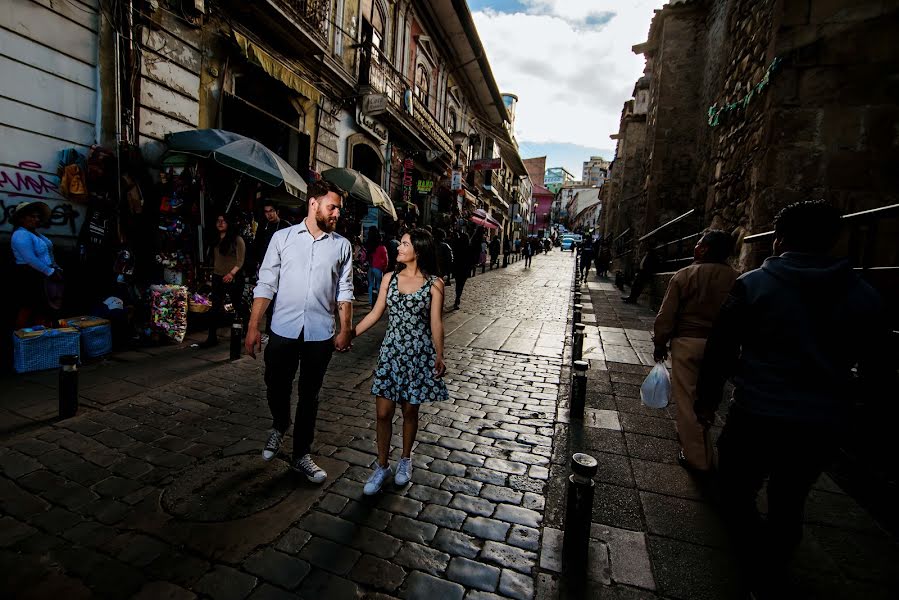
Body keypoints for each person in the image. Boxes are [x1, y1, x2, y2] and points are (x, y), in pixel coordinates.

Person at [695, 201, 889, 595]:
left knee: (734, 492)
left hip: (756, 412)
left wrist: (707, 398)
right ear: (835, 239)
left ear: (780, 239)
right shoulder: (865, 296)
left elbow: (721, 348)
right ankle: (773, 565)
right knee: (790, 499)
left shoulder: (754, 285)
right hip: (820, 422)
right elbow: (878, 369)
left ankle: (752, 562)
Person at [245, 180, 353, 483]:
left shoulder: (341, 246)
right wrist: (253, 327)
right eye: (332, 207)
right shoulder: (283, 238)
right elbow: (266, 284)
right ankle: (280, 424)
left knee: (310, 395)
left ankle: (301, 455)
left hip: (320, 334)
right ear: (313, 203)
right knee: (275, 383)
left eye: (338, 210)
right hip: (283, 329)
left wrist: (345, 329)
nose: (336, 215)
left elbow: (345, 291)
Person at [352, 229, 448, 494]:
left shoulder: (434, 284)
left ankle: (405, 459)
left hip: (418, 355)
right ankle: (382, 466)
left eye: (404, 244)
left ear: (417, 250)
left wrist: (440, 354)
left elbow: (436, 323)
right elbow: (375, 313)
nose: (399, 247)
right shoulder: (388, 278)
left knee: (409, 412)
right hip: (391, 353)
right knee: (383, 413)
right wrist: (351, 332)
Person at [652, 230, 738, 471]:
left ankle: (698, 458)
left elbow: (666, 315)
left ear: (705, 249)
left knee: (688, 400)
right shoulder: (737, 278)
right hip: (721, 347)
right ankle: (704, 448)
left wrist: (660, 342)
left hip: (688, 343)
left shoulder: (685, 275)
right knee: (710, 397)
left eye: (699, 244)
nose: (695, 247)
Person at [11, 201, 61, 328]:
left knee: (41, 308)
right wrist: (50, 272)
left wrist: (55, 268)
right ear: (22, 218)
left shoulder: (37, 234)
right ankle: (21, 339)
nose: (37, 219)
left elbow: (48, 254)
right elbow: (30, 258)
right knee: (28, 307)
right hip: (28, 274)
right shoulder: (20, 234)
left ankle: (40, 338)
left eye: (38, 217)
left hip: (42, 273)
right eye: (32, 216)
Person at [200, 211, 246, 347]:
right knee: (214, 308)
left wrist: (231, 274)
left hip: (234, 277)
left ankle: (247, 329)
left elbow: (240, 260)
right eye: (218, 220)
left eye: (223, 221)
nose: (220, 223)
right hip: (218, 276)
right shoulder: (216, 239)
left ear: (229, 223)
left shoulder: (237, 239)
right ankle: (212, 338)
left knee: (237, 305)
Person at [252, 201, 291, 273]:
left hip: (281, 263)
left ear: (277, 212)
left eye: (271, 211)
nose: (269, 214)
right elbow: (257, 244)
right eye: (266, 212)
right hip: (265, 262)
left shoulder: (286, 226)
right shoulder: (262, 226)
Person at [365, 229, 388, 307]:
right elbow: (385, 259)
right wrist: (384, 268)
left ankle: (371, 301)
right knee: (379, 284)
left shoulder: (369, 247)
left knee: (370, 284)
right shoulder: (382, 247)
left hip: (370, 267)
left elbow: (365, 257)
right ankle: (378, 301)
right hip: (378, 268)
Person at [451, 230, 472, 309]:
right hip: (464, 268)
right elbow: (470, 258)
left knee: (458, 283)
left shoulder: (457, 245)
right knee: (461, 284)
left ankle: (457, 297)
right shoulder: (469, 246)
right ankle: (458, 297)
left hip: (457, 267)